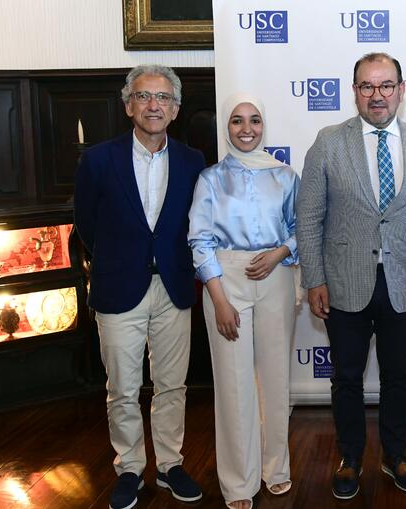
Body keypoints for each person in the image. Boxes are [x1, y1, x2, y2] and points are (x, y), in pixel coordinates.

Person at [295, 52, 406, 499]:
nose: (376, 95)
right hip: (344, 282)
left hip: (404, 280)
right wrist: (314, 279)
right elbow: (309, 218)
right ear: (355, 92)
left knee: (399, 376)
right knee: (346, 376)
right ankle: (350, 457)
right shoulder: (328, 142)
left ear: (402, 90)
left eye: (385, 86)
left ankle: (395, 454)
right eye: (367, 86)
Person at [73, 64, 204, 509]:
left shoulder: (192, 161)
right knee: (123, 388)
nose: (154, 105)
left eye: (163, 98)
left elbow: (194, 224)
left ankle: (169, 464)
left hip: (173, 287)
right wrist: (117, 261)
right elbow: (86, 225)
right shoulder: (97, 159)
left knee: (171, 385)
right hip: (117, 289)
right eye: (144, 96)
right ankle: (129, 467)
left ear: (176, 108)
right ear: (128, 104)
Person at [188, 93, 300, 509]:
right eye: (237, 121)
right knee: (234, 385)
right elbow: (199, 240)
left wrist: (279, 253)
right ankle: (238, 482)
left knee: (275, 379)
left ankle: (277, 469)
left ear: (264, 125)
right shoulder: (211, 179)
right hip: (225, 280)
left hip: (277, 275)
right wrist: (218, 298)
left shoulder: (285, 175)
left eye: (254, 120)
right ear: (226, 127)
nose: (247, 128)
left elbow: (300, 229)